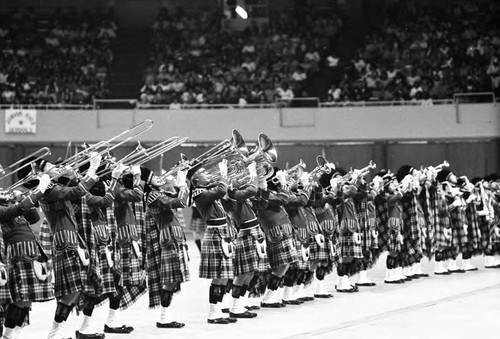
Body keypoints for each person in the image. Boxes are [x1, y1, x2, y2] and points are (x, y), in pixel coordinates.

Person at [26, 154, 101, 339]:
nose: (56, 167)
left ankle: (58, 332)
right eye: (51, 166)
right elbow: (78, 192)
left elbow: (76, 189)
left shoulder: (56, 186)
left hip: (70, 237)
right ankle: (54, 333)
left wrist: (72, 174)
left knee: (79, 287)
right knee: (72, 289)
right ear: (41, 173)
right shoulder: (49, 189)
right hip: (65, 239)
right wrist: (93, 167)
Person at [0, 173, 53, 339]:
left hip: (32, 249)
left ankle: (14, 332)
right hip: (18, 251)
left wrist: (20, 197)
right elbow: (17, 209)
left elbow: (33, 217)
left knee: (29, 297)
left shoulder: (8, 201)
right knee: (21, 296)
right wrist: (39, 189)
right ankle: (8, 335)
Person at [188, 160, 237, 324]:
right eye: (203, 173)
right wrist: (223, 175)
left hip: (223, 232)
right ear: (196, 181)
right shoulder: (198, 193)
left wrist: (229, 177)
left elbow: (225, 195)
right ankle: (212, 312)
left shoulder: (207, 190)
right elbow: (221, 191)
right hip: (215, 232)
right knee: (218, 275)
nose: (207, 174)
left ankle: (220, 308)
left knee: (225, 275)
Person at [145, 167, 190, 328]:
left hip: (172, 234)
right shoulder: (152, 195)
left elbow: (184, 199)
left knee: (173, 279)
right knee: (170, 279)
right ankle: (164, 317)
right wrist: (182, 183)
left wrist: (179, 184)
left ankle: (166, 315)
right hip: (169, 236)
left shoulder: (157, 193)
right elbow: (180, 202)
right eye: (153, 177)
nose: (159, 177)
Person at [221, 162, 267, 318]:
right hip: (246, 232)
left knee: (251, 272)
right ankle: (235, 306)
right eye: (234, 175)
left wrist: (262, 183)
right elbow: (251, 190)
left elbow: (261, 202)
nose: (240, 177)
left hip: (254, 231)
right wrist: (253, 175)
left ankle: (240, 303)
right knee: (243, 273)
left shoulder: (239, 193)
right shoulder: (231, 194)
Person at [256, 167, 298, 308]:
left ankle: (271, 295)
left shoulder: (269, 192)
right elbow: (283, 199)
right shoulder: (262, 193)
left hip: (282, 228)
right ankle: (269, 296)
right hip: (276, 229)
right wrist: (283, 183)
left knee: (285, 264)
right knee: (281, 265)